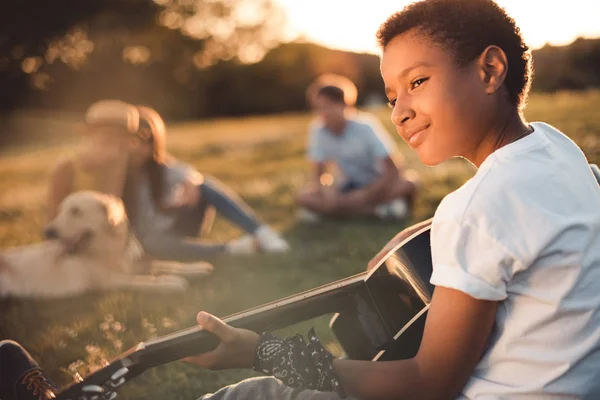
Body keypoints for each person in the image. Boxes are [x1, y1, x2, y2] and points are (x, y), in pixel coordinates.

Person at [180, 0, 600, 399]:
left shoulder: (475, 210)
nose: (399, 112)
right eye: (393, 96)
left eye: (417, 82)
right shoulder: (556, 147)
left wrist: (261, 353)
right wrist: (435, 228)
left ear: (490, 70)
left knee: (253, 395)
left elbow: (426, 385)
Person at [48, 101, 289, 262]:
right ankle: (232, 250)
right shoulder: (76, 170)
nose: (126, 149)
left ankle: (262, 232)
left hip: (163, 228)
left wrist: (191, 180)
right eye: (108, 141)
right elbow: (58, 223)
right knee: (152, 243)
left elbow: (181, 171)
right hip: (143, 240)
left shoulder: (135, 167)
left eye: (125, 142)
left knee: (203, 185)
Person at [296, 76, 418, 222]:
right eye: (319, 108)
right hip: (346, 188)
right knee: (304, 196)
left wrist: (365, 195)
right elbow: (319, 173)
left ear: (345, 105)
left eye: (328, 106)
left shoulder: (366, 126)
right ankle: (379, 211)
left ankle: (339, 213)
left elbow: (394, 169)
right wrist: (328, 193)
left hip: (376, 185)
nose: (323, 113)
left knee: (409, 183)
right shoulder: (318, 130)